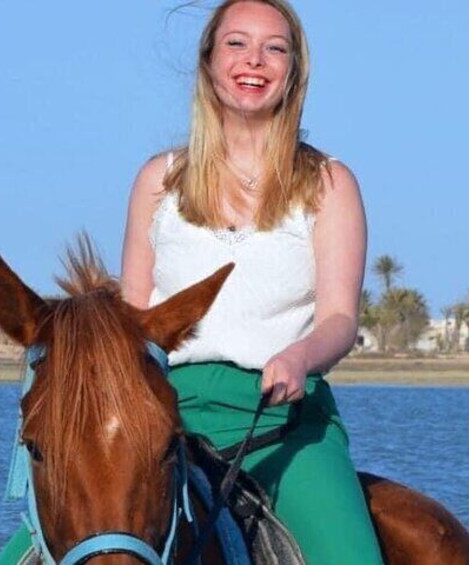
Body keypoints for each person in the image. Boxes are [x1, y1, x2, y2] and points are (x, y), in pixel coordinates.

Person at [120, 1, 383, 563]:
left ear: (294, 71)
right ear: (209, 62)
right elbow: (130, 316)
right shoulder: (156, 182)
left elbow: (340, 319)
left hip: (284, 422)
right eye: (236, 43)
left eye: (275, 48)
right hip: (165, 418)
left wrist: (299, 357)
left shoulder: (330, 184)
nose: (254, 61)